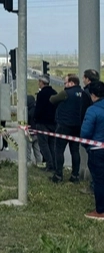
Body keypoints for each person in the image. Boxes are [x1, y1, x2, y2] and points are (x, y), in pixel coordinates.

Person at [51, 74, 83, 183]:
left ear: (72, 83)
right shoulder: (84, 94)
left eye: (66, 83)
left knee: (59, 150)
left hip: (64, 126)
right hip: (77, 126)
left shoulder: (65, 93)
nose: (65, 85)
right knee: (75, 151)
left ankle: (58, 175)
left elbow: (53, 99)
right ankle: (75, 176)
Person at [80, 80, 104, 220]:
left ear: (93, 95)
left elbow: (85, 133)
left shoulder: (93, 110)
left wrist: (86, 146)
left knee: (99, 180)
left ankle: (100, 211)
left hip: (97, 150)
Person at [35, 75, 58, 172]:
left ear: (42, 82)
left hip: (43, 123)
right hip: (53, 122)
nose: (38, 83)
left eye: (39, 81)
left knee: (43, 144)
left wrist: (35, 118)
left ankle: (50, 164)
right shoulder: (54, 93)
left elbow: (38, 109)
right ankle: (55, 164)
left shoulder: (41, 94)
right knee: (52, 144)